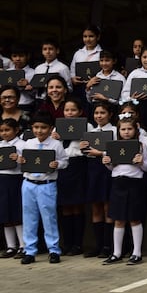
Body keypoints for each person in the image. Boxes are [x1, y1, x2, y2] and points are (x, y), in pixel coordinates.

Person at [17, 111, 69, 264]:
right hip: (29, 183)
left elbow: (65, 161)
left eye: (43, 128)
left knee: (49, 217)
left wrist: (57, 164)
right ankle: (29, 250)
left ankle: (53, 250)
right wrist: (21, 160)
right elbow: (23, 160)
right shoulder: (28, 143)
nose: (39, 131)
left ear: (50, 128)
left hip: (47, 184)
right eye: (36, 127)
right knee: (29, 218)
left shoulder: (56, 144)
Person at [101, 115, 147, 265]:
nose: (126, 132)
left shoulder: (141, 146)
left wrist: (142, 162)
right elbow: (112, 167)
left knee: (134, 218)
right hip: (118, 183)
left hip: (134, 184)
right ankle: (116, 253)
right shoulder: (113, 146)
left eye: (129, 129)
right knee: (118, 219)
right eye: (123, 129)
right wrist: (107, 162)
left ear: (136, 129)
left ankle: (137, 253)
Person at [80, 101, 116, 258]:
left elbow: (117, 151)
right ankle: (98, 244)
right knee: (96, 208)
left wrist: (100, 153)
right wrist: (84, 148)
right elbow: (86, 153)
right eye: (96, 113)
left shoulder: (115, 131)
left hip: (108, 170)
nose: (99, 116)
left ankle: (108, 245)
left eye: (102, 113)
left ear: (110, 115)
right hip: (93, 170)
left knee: (108, 207)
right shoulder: (91, 132)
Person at [52, 97, 88, 256]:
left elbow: (94, 144)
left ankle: (78, 244)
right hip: (63, 167)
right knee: (65, 206)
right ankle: (67, 243)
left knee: (78, 205)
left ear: (80, 111)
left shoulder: (87, 126)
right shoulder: (57, 129)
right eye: (67, 110)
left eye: (73, 110)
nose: (70, 113)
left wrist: (85, 142)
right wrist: (54, 139)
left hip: (79, 165)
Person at [0, 118, 23, 258]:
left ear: (16, 130)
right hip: (2, 180)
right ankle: (10, 247)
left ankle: (23, 246)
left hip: (16, 180)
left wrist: (19, 159)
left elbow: (28, 163)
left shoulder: (22, 144)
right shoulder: (0, 144)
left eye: (7, 130)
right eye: (1, 130)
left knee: (17, 213)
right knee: (5, 214)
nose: (4, 133)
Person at [70, 24, 103, 106]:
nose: (88, 39)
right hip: (80, 88)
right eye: (85, 36)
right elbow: (72, 70)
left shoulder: (102, 53)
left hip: (96, 88)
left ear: (98, 37)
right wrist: (73, 79)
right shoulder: (78, 53)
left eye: (91, 36)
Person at [8, 43, 35, 113]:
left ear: (27, 56)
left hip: (26, 106)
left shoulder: (33, 73)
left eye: (21, 56)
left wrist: (27, 86)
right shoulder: (7, 73)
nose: (17, 59)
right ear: (11, 57)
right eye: (14, 56)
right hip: (8, 105)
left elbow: (38, 95)